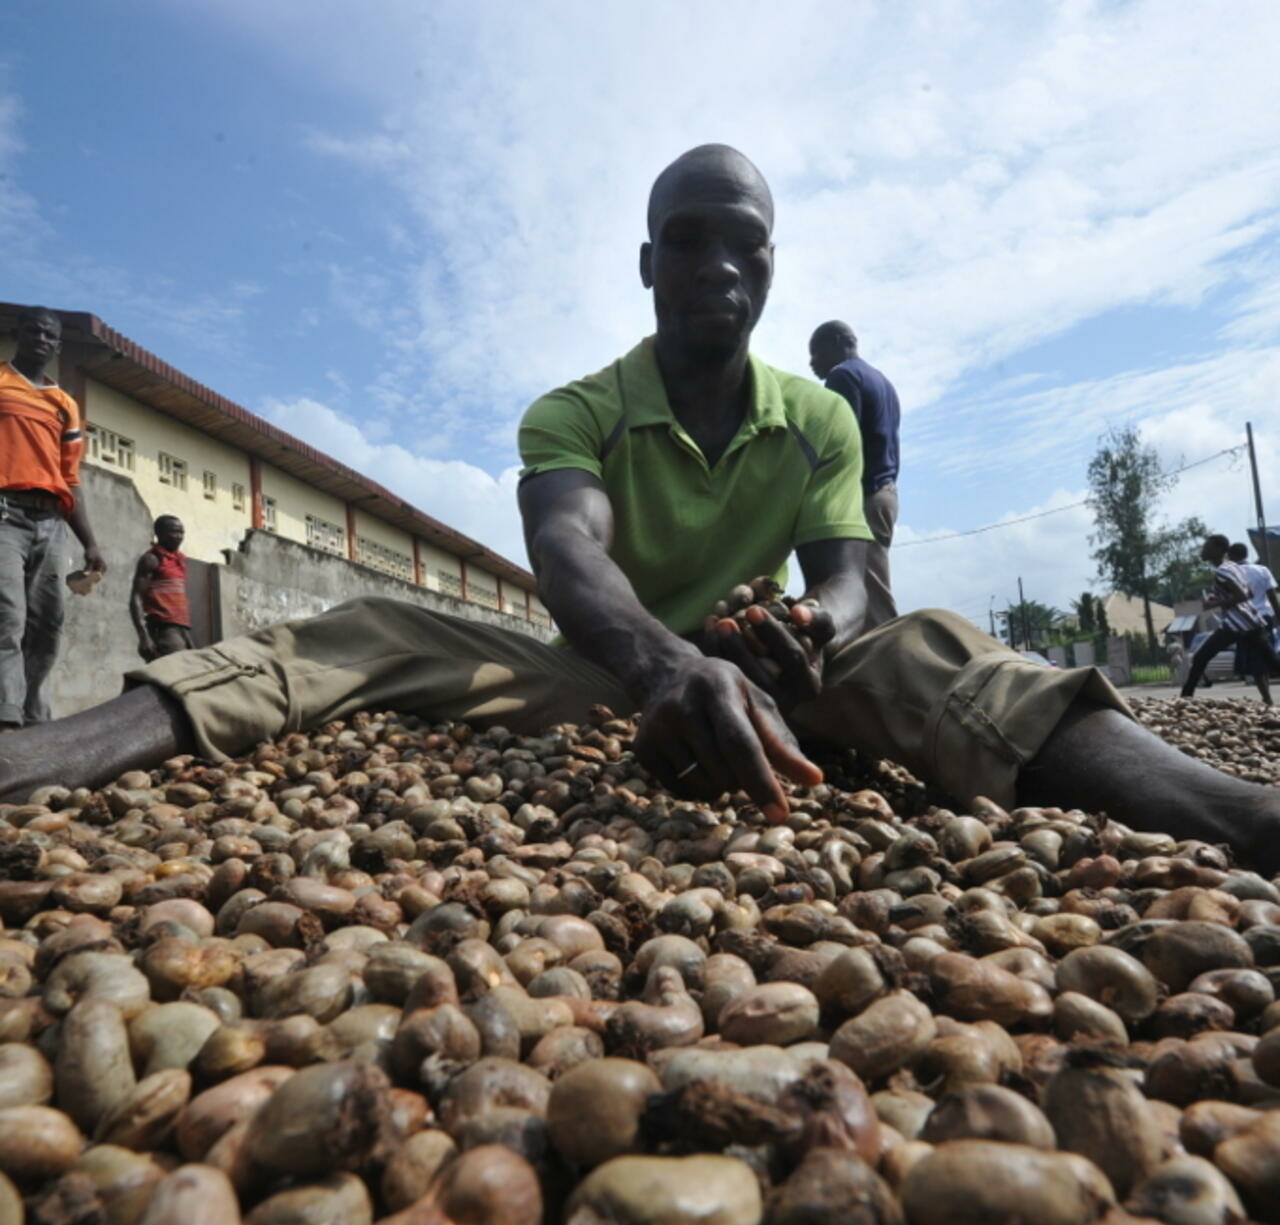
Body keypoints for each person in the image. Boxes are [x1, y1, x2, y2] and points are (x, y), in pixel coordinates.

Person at [2, 146, 1280, 868]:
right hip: (610, 675)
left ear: (771, 267)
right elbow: (569, 556)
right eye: (686, 239)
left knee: (934, 641)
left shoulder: (819, 412)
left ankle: (1230, 816)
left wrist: (809, 629)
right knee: (366, 628)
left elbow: (846, 571)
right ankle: (60, 748)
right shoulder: (576, 411)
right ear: (645, 262)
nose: (716, 264)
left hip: (783, 682)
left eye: (744, 243)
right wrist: (665, 663)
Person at [0, 307, 105, 728]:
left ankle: (32, 714)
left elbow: (70, 477)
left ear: (57, 346)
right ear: (19, 334)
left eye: (49, 335)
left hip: (52, 524)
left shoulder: (64, 403)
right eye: (34, 331)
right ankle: (6, 721)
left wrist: (91, 542)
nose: (41, 339)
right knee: (7, 616)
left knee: (47, 625)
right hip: (4, 515)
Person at [808, 320, 900, 628]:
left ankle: (894, 660)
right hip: (886, 492)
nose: (812, 363)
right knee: (872, 582)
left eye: (815, 352)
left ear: (837, 342)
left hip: (863, 497)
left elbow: (839, 442)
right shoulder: (882, 381)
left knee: (865, 592)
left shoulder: (843, 376)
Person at [1181, 534, 1278, 704]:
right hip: (1251, 622)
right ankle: (1186, 696)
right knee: (1274, 663)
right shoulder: (1232, 567)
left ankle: (1185, 698)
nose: (1203, 551)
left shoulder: (1222, 570)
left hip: (1237, 623)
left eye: (1207, 547)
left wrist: (1215, 604)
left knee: (1201, 657)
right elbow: (1248, 593)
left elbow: (1242, 596)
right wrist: (1219, 599)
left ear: (1218, 550)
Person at [131, 516, 194, 659]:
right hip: (163, 628)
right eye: (174, 532)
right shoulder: (152, 559)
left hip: (182, 627)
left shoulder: (179, 560)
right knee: (173, 672)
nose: (179, 537)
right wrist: (144, 636)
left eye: (181, 532)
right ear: (159, 533)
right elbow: (136, 598)